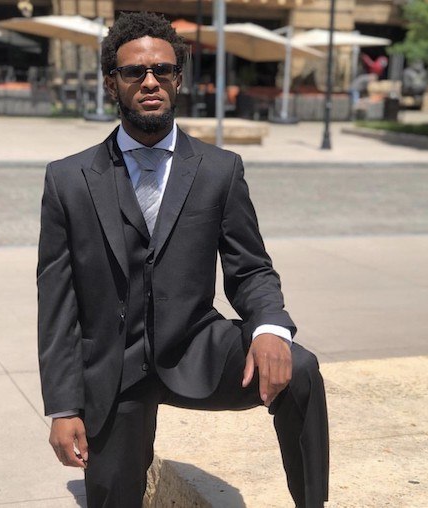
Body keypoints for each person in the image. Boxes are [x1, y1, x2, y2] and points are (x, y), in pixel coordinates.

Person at [37, 11, 329, 508]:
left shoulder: (220, 170)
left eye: (163, 70)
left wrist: (270, 328)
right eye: (134, 72)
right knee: (113, 497)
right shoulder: (68, 180)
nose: (150, 81)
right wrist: (63, 406)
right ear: (111, 83)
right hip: (113, 368)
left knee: (300, 368)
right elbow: (58, 304)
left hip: (196, 347)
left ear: (178, 79)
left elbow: (250, 268)